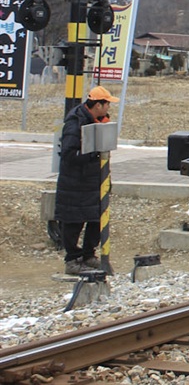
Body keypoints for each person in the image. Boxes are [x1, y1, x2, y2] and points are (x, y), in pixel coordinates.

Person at [56, 85, 116, 274]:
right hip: (75, 183)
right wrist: (92, 155)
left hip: (92, 182)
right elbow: (68, 154)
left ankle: (89, 255)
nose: (109, 108)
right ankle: (73, 259)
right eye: (107, 104)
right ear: (98, 105)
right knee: (73, 221)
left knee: (96, 218)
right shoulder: (75, 123)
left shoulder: (95, 121)